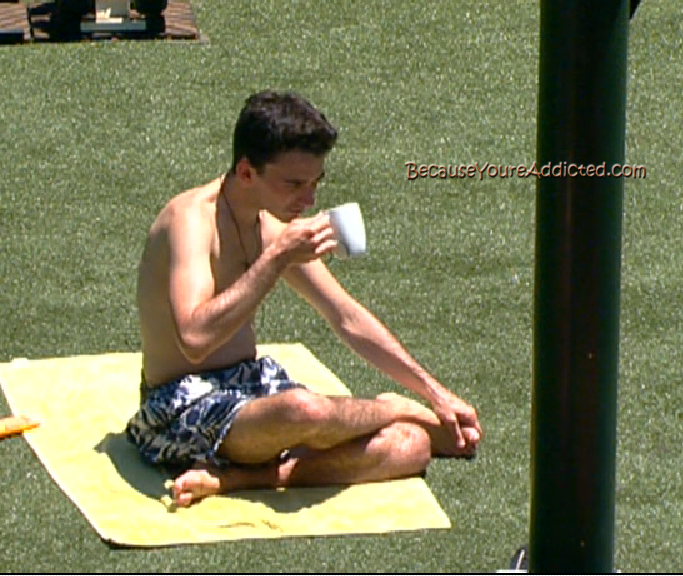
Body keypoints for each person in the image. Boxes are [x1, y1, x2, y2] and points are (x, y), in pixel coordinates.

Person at [126, 90, 482, 508]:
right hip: (179, 404)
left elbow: (346, 317)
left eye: (315, 183)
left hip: (253, 393)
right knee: (303, 410)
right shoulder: (190, 220)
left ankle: (240, 479)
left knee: (413, 445)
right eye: (294, 184)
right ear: (247, 172)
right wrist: (277, 257)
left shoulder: (272, 226)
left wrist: (435, 393)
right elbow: (195, 338)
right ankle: (389, 409)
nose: (309, 200)